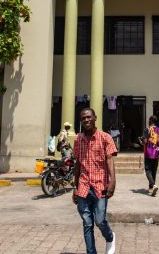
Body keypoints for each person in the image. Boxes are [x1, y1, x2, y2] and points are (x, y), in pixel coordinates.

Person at [72, 108, 117, 254]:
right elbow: (78, 164)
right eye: (83, 118)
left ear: (95, 118)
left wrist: (113, 182)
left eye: (88, 117)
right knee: (87, 223)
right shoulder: (78, 140)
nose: (86, 120)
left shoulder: (105, 138)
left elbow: (110, 161)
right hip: (83, 186)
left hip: (100, 186)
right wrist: (75, 186)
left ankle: (110, 237)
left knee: (99, 220)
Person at [143, 115, 159, 196]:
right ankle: (151, 188)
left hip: (148, 152)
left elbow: (145, 141)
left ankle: (153, 185)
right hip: (156, 153)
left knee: (148, 170)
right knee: (154, 171)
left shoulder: (147, 129)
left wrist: (141, 141)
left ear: (150, 120)